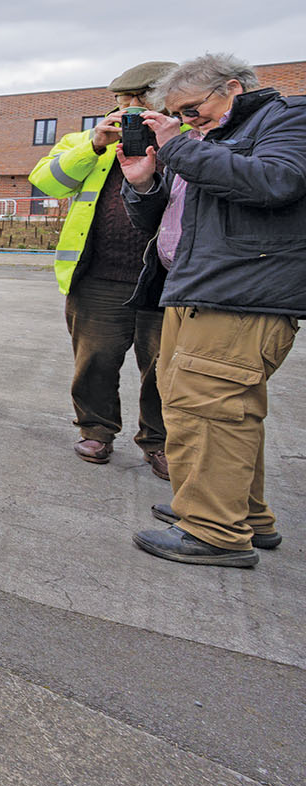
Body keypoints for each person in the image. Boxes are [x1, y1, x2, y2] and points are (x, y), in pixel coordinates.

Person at [118, 53, 305, 568]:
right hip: (191, 290)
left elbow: (275, 183)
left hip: (237, 295)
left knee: (211, 409)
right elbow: (167, 217)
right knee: (216, 411)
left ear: (231, 88)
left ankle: (217, 531)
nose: (185, 121)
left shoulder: (287, 118)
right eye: (178, 115)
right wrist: (142, 181)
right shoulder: (203, 142)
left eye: (191, 110)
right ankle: (239, 513)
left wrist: (178, 145)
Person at [29, 61, 174, 478]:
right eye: (121, 102)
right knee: (95, 360)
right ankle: (96, 429)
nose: (128, 110)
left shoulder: (186, 140)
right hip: (99, 276)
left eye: (140, 101)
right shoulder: (87, 141)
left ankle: (159, 441)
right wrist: (93, 146)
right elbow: (46, 181)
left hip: (165, 280)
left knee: (165, 368)